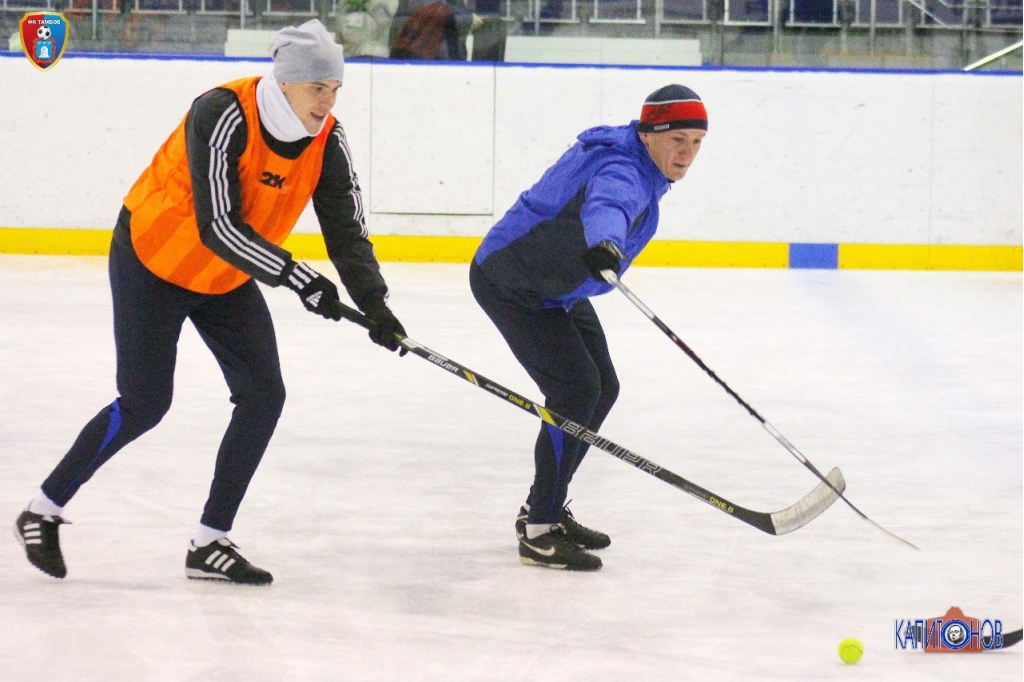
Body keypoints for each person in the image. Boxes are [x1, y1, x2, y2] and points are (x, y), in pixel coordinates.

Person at [13, 19, 407, 585]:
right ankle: (43, 508)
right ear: (288, 82)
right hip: (155, 259)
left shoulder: (328, 140)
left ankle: (210, 541)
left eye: (335, 89)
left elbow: (347, 232)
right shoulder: (222, 112)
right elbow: (218, 224)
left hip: (224, 277)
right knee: (146, 402)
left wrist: (376, 304)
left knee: (264, 396)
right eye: (318, 88)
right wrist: (297, 277)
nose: (328, 101)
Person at [469, 85, 708, 571]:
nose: (687, 154)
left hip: (558, 287)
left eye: (698, 142)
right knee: (575, 392)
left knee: (602, 388)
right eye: (679, 139)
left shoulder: (639, 161)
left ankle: (546, 507)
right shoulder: (623, 167)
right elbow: (609, 204)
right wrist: (606, 243)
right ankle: (539, 532)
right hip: (514, 283)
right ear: (649, 133)